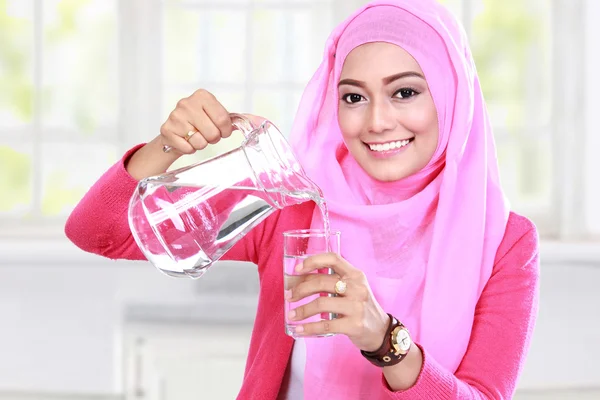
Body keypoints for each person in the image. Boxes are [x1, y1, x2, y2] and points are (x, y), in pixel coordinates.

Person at [65, 0, 540, 399]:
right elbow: (96, 231)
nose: (376, 121)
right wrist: (168, 145)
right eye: (353, 97)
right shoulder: (297, 197)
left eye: (405, 92)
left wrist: (383, 338)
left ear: (452, 95)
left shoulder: (504, 242)